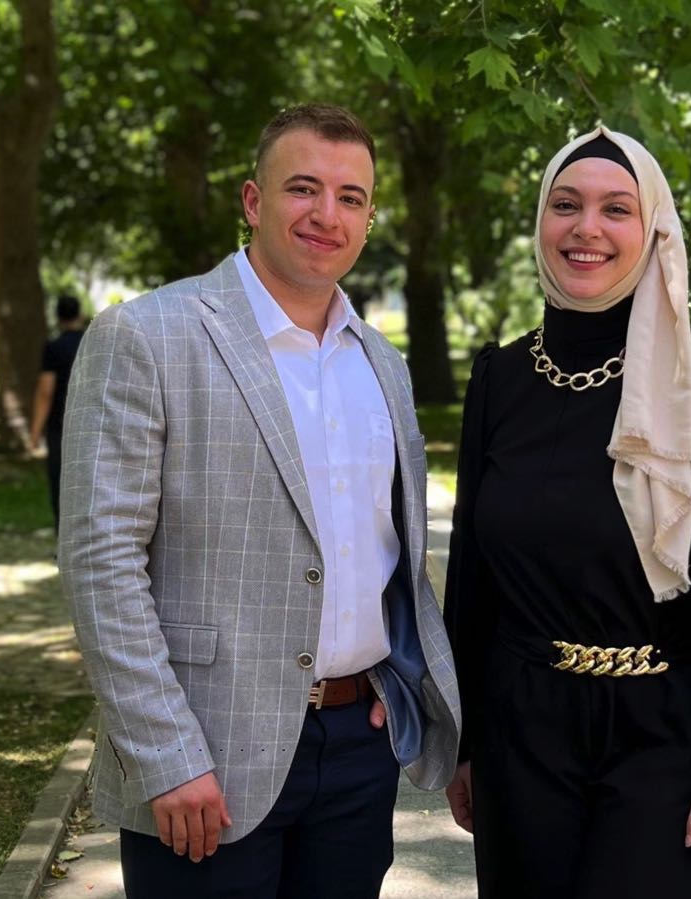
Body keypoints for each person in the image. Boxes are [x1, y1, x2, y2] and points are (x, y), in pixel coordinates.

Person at [58, 104, 460, 899]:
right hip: (205, 762)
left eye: (350, 197)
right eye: (303, 188)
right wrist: (167, 754)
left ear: (369, 218)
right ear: (253, 200)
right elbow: (101, 561)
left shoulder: (382, 363)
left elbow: (391, 557)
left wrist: (394, 681)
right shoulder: (147, 335)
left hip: (357, 751)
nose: (327, 214)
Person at [442, 126, 691, 898]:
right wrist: (467, 740)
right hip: (521, 738)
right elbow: (475, 575)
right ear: (541, 221)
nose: (587, 228)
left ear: (655, 229)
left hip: (671, 738)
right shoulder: (501, 380)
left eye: (617, 209)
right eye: (565, 205)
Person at [29, 294, 85, 531]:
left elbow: (45, 393)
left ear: (58, 317)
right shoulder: (92, 344)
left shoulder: (53, 348)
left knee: (60, 482)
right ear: (80, 315)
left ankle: (64, 533)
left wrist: (35, 432)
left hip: (60, 426)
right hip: (91, 422)